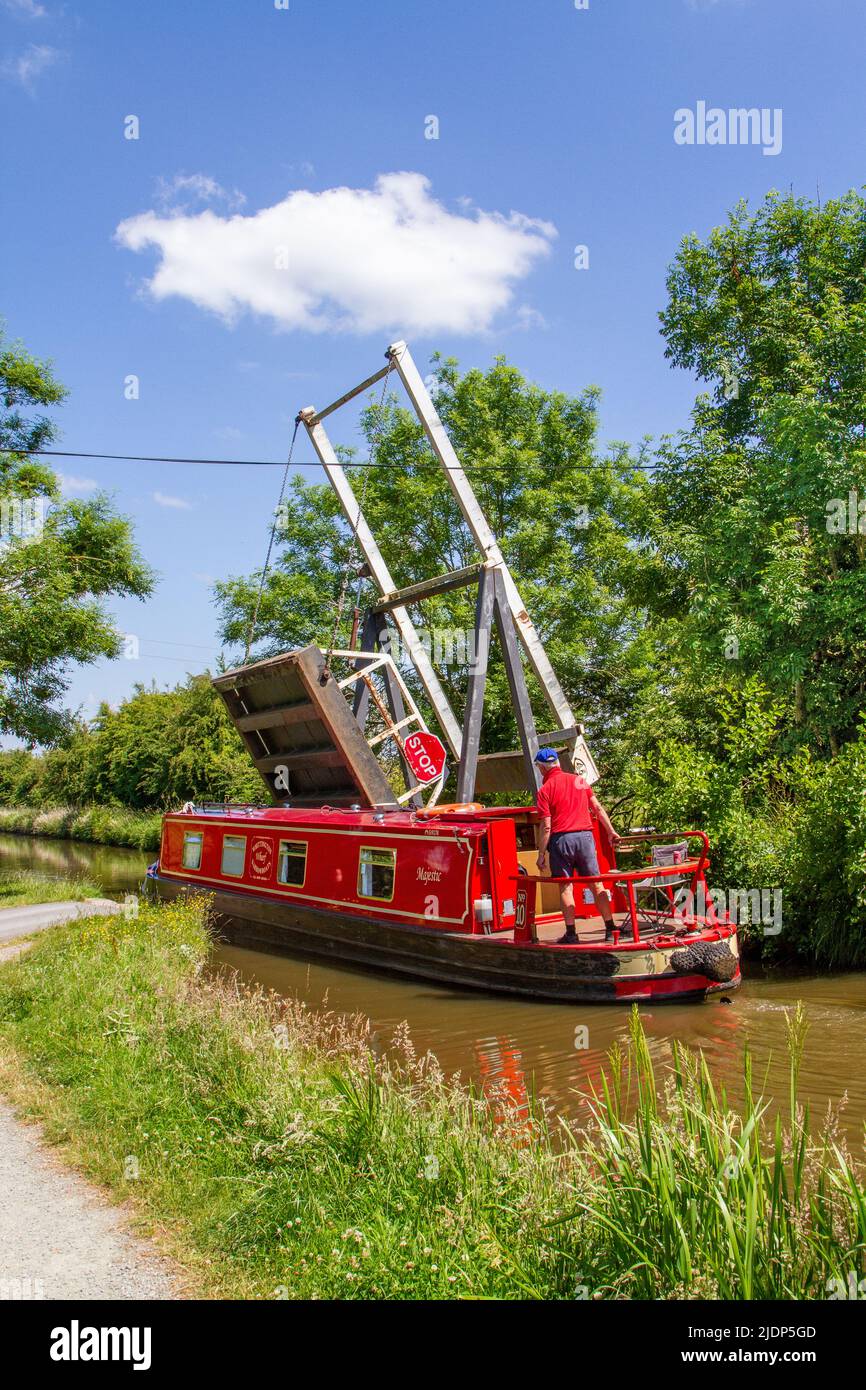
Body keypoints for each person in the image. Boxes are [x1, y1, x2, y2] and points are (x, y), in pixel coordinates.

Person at [534, 747, 620, 944]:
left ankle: (571, 933)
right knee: (596, 884)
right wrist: (610, 831)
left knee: (565, 887)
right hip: (585, 838)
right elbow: (596, 807)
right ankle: (610, 928)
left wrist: (541, 855)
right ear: (557, 763)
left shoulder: (544, 790)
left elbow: (546, 826)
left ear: (541, 768)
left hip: (561, 840)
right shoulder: (579, 781)